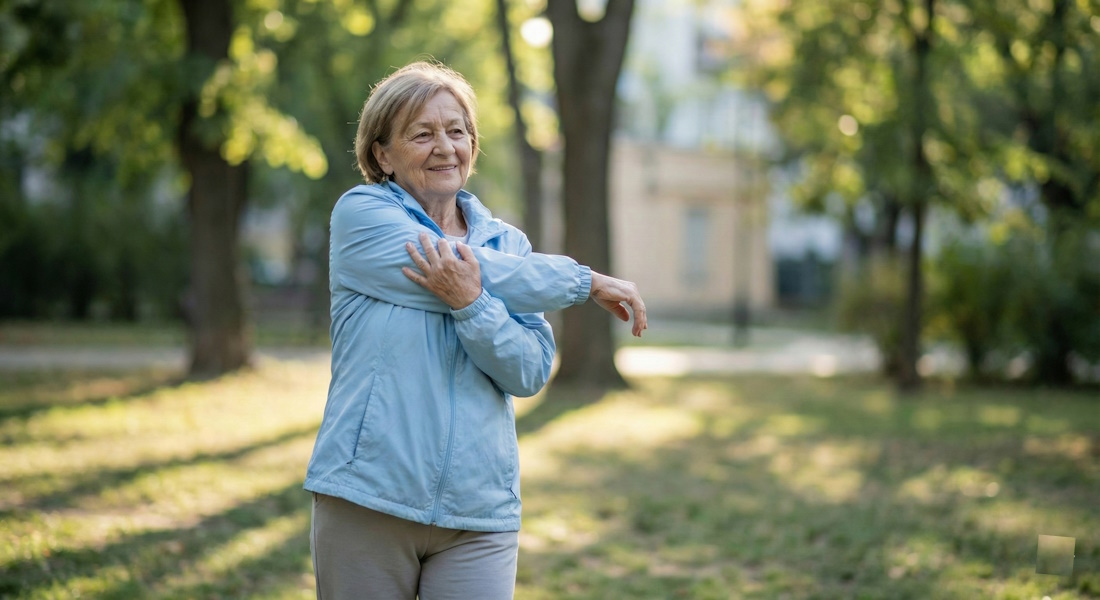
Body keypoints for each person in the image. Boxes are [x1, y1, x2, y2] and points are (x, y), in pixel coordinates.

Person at [304, 61, 647, 600]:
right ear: (382, 154)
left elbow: (528, 371)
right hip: (369, 499)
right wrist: (584, 282)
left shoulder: (509, 244)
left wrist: (472, 305)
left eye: (457, 130)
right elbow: (450, 262)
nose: (445, 147)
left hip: (479, 514)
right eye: (422, 134)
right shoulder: (362, 215)